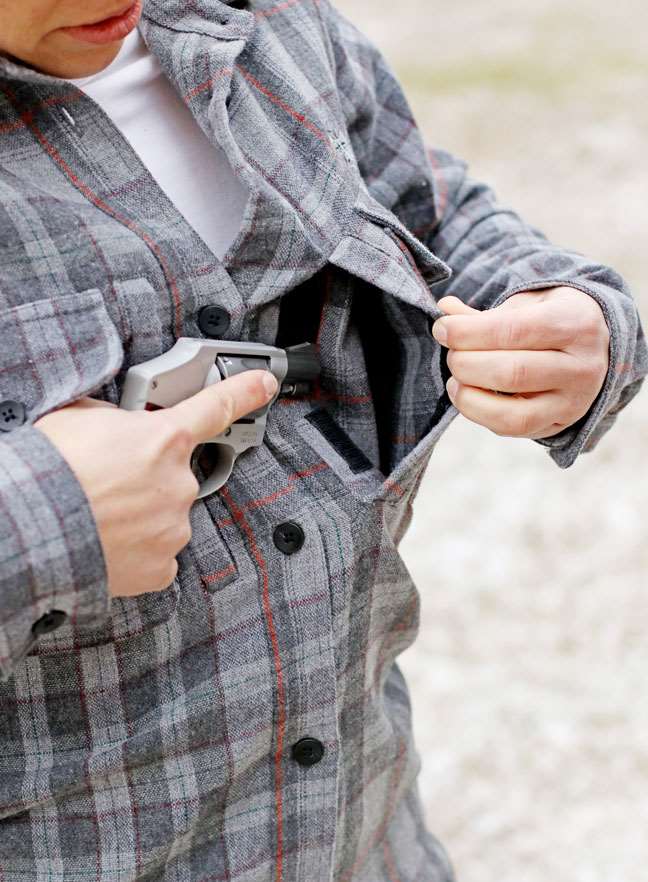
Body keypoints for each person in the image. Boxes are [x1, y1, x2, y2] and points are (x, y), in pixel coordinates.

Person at [0, 1, 645, 880]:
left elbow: (423, 204)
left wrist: (562, 313)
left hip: (369, 833)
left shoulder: (268, 21)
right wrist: (44, 518)